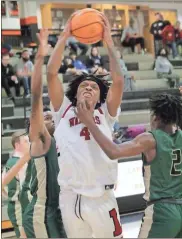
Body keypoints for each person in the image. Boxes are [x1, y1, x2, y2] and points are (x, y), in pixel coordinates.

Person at [47, 12, 124, 238]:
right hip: (70, 196)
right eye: (84, 85)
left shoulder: (105, 112)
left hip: (101, 196)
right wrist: (64, 35)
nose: (88, 87)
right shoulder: (63, 110)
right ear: (75, 92)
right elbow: (51, 74)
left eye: (94, 86)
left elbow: (118, 81)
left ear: (101, 95)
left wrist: (108, 40)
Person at [76, 93, 182, 238]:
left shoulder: (150, 139)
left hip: (162, 210)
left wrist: (89, 123)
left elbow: (114, 151)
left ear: (155, 117)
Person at [2, 131, 30, 238]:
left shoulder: (11, 161)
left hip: (17, 206)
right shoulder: (20, 163)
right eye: (26, 141)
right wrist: (13, 197)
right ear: (17, 145)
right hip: (19, 207)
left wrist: (9, 195)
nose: (29, 143)